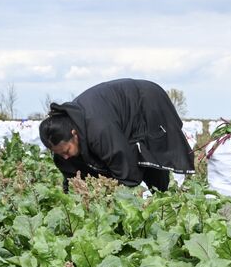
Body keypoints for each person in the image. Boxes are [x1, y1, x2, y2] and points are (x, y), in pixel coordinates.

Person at [39, 78, 194, 191]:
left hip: (146, 104)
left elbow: (126, 173)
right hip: (116, 114)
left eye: (66, 151)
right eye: (60, 154)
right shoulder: (66, 134)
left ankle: (162, 198)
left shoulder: (99, 130)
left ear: (74, 134)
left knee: (149, 160)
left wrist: (112, 193)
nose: (65, 156)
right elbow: (72, 176)